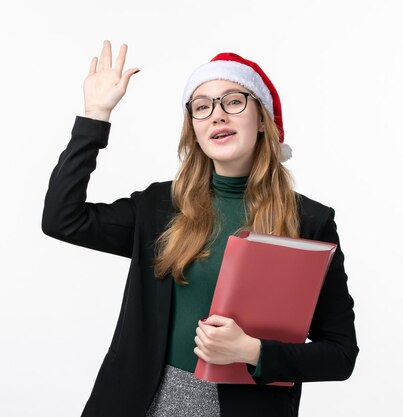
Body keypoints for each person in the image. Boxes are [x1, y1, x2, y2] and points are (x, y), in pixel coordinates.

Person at [41, 40, 358, 417]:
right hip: (135, 404)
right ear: (193, 129)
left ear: (262, 119)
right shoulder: (159, 206)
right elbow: (63, 219)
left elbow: (340, 354)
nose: (217, 115)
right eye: (202, 106)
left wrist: (253, 352)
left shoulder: (309, 221)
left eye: (234, 101)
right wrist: (95, 117)